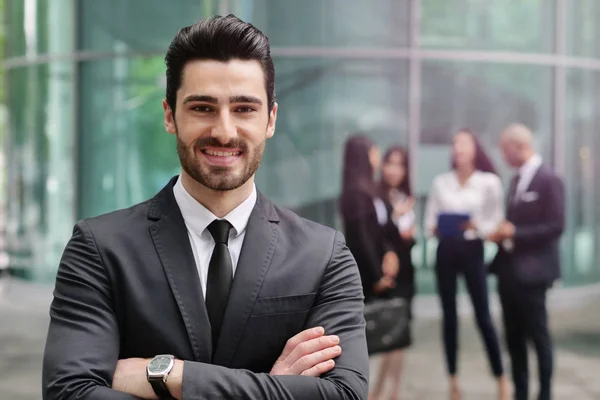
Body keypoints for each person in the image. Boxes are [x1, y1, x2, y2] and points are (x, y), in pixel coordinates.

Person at [42, 15, 369, 400]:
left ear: (271, 119)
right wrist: (276, 387)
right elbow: (70, 394)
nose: (225, 131)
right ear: (169, 115)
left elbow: (345, 394)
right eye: (203, 108)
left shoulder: (324, 255)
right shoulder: (98, 248)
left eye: (245, 108)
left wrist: (168, 377)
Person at [424, 129, 509, 400]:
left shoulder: (489, 182)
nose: (458, 148)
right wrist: (438, 227)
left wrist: (476, 225)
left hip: (473, 248)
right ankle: (453, 381)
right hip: (446, 249)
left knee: (483, 315)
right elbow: (428, 224)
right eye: (454, 144)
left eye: (463, 143)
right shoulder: (441, 182)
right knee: (449, 318)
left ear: (475, 149)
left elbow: (497, 222)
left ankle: (501, 379)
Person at [489, 124, 565, 400]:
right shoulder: (515, 180)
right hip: (509, 272)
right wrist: (501, 234)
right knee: (513, 338)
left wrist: (515, 232)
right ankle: (520, 392)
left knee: (538, 336)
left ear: (517, 146)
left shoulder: (548, 179)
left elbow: (556, 226)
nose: (502, 155)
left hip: (534, 274)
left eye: (504, 149)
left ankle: (544, 393)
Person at [338, 135, 401, 400]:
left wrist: (388, 253)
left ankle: (384, 392)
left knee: (392, 338)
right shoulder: (355, 193)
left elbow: (378, 233)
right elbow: (361, 239)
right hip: (366, 277)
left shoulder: (370, 189)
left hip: (380, 271)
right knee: (372, 338)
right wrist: (376, 275)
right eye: (374, 152)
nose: (378, 157)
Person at [371, 145, 417, 399]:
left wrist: (408, 233)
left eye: (400, 165)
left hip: (405, 272)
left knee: (400, 336)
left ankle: (393, 391)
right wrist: (395, 219)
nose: (394, 170)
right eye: (391, 163)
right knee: (383, 334)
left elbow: (407, 239)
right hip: (384, 274)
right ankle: (376, 390)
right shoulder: (375, 196)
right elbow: (377, 237)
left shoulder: (404, 196)